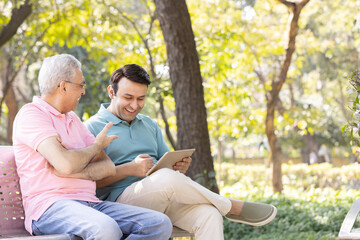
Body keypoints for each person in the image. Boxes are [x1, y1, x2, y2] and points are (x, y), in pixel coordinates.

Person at [84, 64, 277, 240]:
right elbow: (87, 181)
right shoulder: (91, 128)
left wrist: (178, 166)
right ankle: (231, 206)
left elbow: (165, 167)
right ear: (111, 92)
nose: (135, 105)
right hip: (119, 204)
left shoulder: (149, 124)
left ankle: (221, 208)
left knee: (209, 215)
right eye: (128, 98)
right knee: (167, 178)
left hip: (163, 197)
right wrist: (129, 169)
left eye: (141, 98)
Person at [12, 55, 173, 240]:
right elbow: (66, 164)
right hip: (50, 207)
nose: (83, 92)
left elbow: (107, 167)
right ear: (63, 86)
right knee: (106, 228)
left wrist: (72, 167)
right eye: (80, 85)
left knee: (158, 224)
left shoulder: (73, 119)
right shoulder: (31, 114)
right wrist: (95, 147)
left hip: (91, 203)